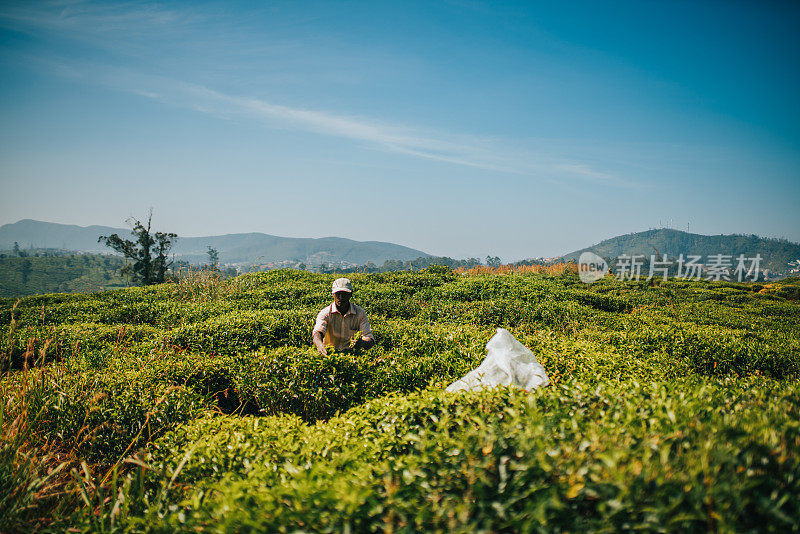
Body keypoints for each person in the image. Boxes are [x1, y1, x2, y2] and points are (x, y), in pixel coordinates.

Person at [312, 278, 375, 355]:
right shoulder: (325, 313)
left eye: (345, 294)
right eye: (338, 294)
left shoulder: (359, 313)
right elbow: (318, 332)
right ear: (333, 294)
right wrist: (320, 345)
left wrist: (362, 343)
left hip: (352, 355)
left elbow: (369, 339)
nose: (341, 297)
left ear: (351, 294)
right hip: (330, 354)